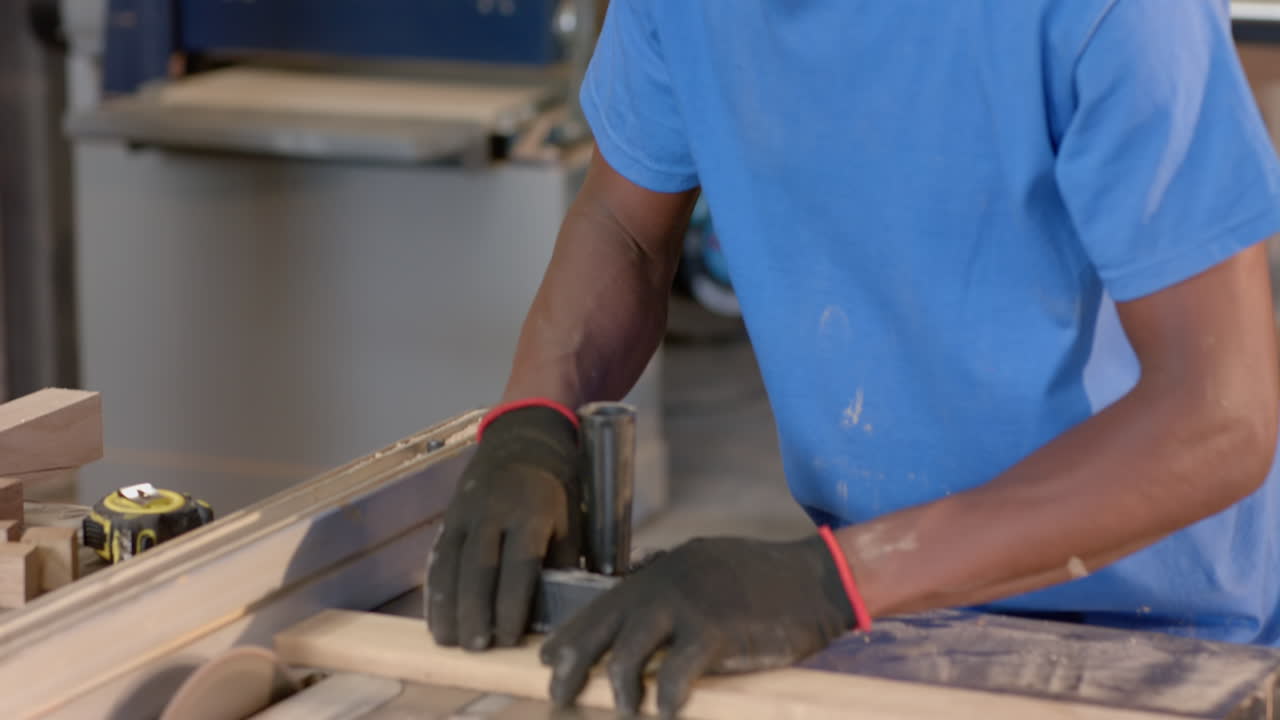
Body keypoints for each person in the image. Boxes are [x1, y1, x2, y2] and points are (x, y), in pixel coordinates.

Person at [427, 1, 1280, 716]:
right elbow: (625, 227)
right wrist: (533, 424)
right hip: (884, 619)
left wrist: (836, 581)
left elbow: (1218, 415)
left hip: (1155, 641)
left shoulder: (1107, 12)